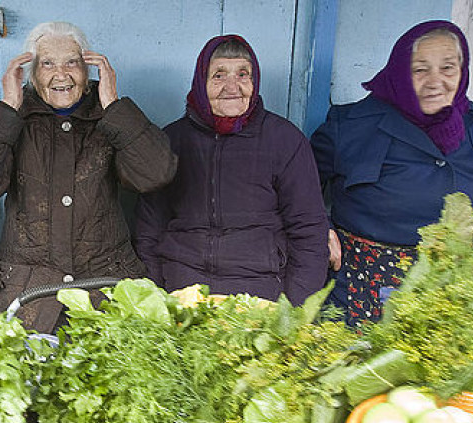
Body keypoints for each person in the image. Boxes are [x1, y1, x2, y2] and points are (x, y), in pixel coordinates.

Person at [0, 21, 176, 333]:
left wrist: (114, 107)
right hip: (28, 294)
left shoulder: (109, 114)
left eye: (72, 62)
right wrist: (7, 107)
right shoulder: (15, 117)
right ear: (31, 74)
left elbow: (155, 173)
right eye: (47, 64)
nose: (61, 74)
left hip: (105, 287)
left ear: (89, 68)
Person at [134, 35, 329, 307]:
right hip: (182, 290)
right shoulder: (171, 141)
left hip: (261, 294)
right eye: (218, 76)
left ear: (254, 81)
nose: (232, 86)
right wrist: (157, 295)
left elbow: (309, 230)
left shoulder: (284, 140)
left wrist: (294, 308)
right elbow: (148, 231)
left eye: (243, 74)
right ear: (201, 83)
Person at [311, 20, 473, 326]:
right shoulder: (350, 126)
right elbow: (298, 188)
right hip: (360, 292)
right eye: (420, 69)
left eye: (448, 68)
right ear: (400, 71)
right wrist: (321, 228)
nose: (435, 81)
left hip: (454, 296)